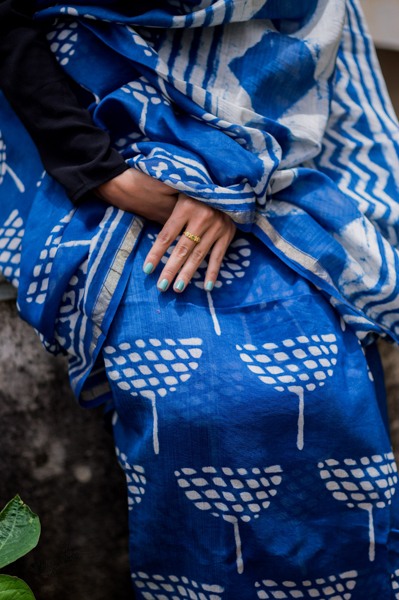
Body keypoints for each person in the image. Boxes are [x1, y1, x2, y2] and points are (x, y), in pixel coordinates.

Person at [1, 1, 399, 598]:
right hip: (103, 146)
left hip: (292, 157)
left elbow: (308, 41)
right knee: (202, 404)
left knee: (330, 391)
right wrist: (102, 170)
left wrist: (234, 168)